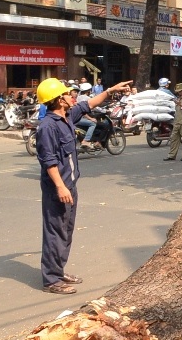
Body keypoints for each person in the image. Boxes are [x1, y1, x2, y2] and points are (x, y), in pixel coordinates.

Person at [34, 76, 132, 294]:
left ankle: (58, 270)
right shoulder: (48, 127)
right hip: (57, 187)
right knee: (55, 231)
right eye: (68, 94)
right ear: (59, 100)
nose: (72, 96)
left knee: (66, 230)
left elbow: (89, 104)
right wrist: (60, 187)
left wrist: (111, 89)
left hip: (70, 184)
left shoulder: (67, 116)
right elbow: (48, 160)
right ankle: (51, 280)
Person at [74, 83, 98, 149]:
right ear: (88, 91)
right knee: (93, 124)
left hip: (76, 118)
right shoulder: (88, 98)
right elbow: (95, 108)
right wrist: (91, 119)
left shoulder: (77, 98)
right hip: (80, 119)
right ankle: (85, 140)